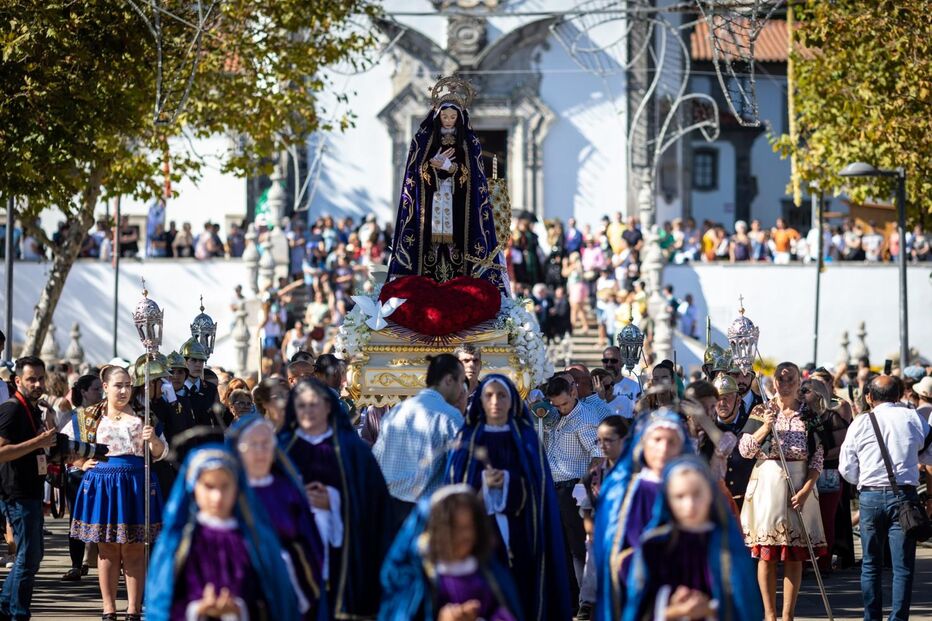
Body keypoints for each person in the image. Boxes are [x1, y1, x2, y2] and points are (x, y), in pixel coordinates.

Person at [446, 375, 572, 621]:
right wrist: (483, 484)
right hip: (477, 532)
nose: (495, 402)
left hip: (520, 531)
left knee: (519, 591)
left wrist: (508, 482)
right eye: (489, 396)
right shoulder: (467, 438)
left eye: (502, 395)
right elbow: (456, 489)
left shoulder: (526, 439)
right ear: (480, 401)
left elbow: (538, 491)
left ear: (512, 400)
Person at [145, 441, 298, 621]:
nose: (217, 497)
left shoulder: (256, 541)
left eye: (225, 486)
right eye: (209, 486)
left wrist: (240, 610)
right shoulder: (178, 543)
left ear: (237, 487)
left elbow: (277, 601)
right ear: (193, 487)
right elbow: (162, 604)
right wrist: (196, 611)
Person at [282, 378, 393, 619]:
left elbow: (374, 504)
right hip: (294, 548)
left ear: (328, 406)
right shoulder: (283, 449)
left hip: (342, 553)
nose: (308, 411)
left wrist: (334, 503)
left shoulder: (353, 450)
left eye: (314, 404)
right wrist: (300, 499)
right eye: (301, 405)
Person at [386, 77, 507, 295]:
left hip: (458, 208)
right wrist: (431, 167)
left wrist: (451, 167)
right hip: (430, 206)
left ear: (459, 118)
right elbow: (414, 176)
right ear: (437, 116)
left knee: (458, 244)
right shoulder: (423, 141)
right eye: (445, 116)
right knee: (430, 247)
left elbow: (475, 180)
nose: (449, 121)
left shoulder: (469, 142)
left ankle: (461, 285)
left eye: (453, 117)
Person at [66, 364, 167, 621]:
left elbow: (161, 453)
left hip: (135, 483)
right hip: (103, 485)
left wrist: (153, 440)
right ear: (106, 387)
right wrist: (80, 463)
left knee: (134, 548)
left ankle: (133, 609)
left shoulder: (145, 415)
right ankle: (109, 608)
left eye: (128, 386)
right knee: (107, 548)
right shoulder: (89, 416)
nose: (124, 391)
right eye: (118, 385)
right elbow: (62, 444)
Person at [622, 456, 763, 621]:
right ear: (667, 499)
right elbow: (637, 606)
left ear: (710, 495)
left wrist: (710, 609)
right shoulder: (653, 546)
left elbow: (745, 605)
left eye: (697, 494)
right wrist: (673, 610)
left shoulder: (727, 546)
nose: (689, 505)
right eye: (680, 496)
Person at [839, 375, 932, 621]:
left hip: (870, 496)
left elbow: (846, 467)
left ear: (869, 397)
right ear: (899, 395)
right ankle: (898, 618)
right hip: (904, 496)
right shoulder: (912, 417)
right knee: (903, 567)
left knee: (871, 565)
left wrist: (863, 479)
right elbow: (928, 453)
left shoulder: (860, 422)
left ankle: (872, 618)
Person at [738, 362, 825, 621]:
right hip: (767, 485)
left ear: (799, 382)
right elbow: (745, 451)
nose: (785, 384)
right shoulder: (761, 410)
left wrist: (807, 488)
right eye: (780, 379)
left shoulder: (808, 413)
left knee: (794, 555)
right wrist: (766, 426)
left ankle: (788, 615)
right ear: (773, 381)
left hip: (799, 484)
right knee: (766, 554)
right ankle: (769, 614)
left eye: (790, 379)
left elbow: (818, 456)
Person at [594, 410, 691, 620]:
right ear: (644, 443)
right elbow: (616, 546)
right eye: (657, 440)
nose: (663, 448)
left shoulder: (693, 486)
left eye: (671, 441)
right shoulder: (626, 488)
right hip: (637, 586)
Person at [229, 414, 326, 619]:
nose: (260, 451)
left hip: (292, 589)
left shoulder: (287, 490)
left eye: (266, 443)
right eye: (253, 444)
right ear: (238, 449)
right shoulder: (228, 492)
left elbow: (309, 541)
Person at [379, 486, 522, 621]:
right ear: (436, 532)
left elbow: (505, 611)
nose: (465, 536)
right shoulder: (419, 582)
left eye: (469, 527)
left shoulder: (488, 573)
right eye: (456, 528)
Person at [373, 354, 465, 526]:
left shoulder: (396, 411)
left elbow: (376, 460)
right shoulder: (450, 417)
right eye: (460, 381)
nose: (461, 389)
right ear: (448, 380)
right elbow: (459, 469)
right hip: (425, 513)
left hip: (389, 509)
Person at [0, 357, 57, 620]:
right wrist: (38, 442)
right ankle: (17, 612)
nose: (37, 384)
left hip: (31, 489)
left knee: (31, 555)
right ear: (18, 380)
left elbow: (42, 447)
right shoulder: (12, 409)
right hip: (16, 492)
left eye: (41, 378)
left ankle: (7, 607)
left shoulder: (35, 409)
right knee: (28, 556)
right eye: (31, 379)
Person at [542, 376, 603, 611]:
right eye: (556, 405)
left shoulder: (584, 419)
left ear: (574, 392)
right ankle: (568, 599)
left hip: (571, 490)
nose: (561, 409)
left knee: (577, 548)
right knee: (560, 546)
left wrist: (583, 485)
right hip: (553, 488)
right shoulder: (554, 415)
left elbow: (598, 454)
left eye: (564, 403)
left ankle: (584, 602)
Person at [60, 374, 104, 582]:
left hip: (104, 475)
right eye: (96, 389)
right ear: (84, 392)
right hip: (79, 475)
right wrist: (81, 464)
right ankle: (76, 565)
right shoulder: (74, 417)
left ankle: (108, 562)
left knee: (105, 518)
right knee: (77, 519)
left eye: (101, 388)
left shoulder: (108, 414)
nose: (100, 393)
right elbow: (64, 447)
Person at [178, 338, 221, 428]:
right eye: (193, 360)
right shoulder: (176, 389)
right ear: (183, 362)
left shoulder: (211, 389)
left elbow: (217, 421)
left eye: (201, 360)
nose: (198, 364)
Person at [600, 346, 642, 419]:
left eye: (613, 361)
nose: (609, 364)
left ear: (622, 362)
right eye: (605, 360)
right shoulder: (595, 387)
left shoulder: (635, 387)